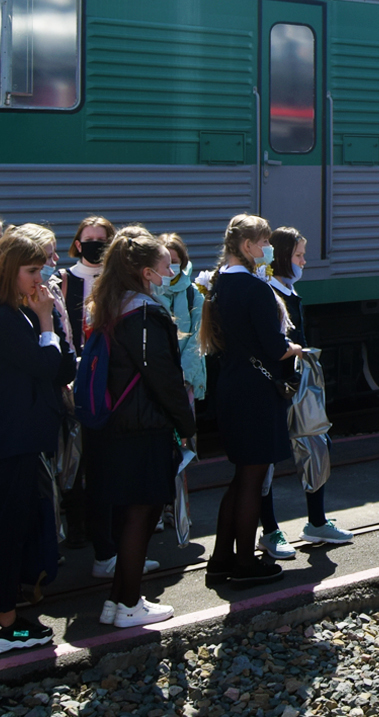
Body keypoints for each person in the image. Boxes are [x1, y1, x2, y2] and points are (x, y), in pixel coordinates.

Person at [0, 231, 73, 653]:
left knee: (7, 526)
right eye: (32, 270)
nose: (39, 278)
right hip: (15, 437)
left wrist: (45, 327)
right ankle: (5, 624)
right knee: (9, 529)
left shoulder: (11, 313)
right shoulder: (2, 317)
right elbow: (50, 365)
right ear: (10, 272)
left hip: (18, 435)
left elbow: (61, 363)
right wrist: (47, 321)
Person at [83, 232, 193, 626]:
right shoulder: (145, 312)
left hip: (116, 423)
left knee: (130, 512)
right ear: (147, 272)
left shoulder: (110, 304)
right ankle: (130, 602)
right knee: (141, 516)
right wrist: (186, 423)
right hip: (143, 425)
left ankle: (117, 601)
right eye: (166, 265)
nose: (171, 271)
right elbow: (163, 376)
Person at [199, 214, 295, 586]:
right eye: (264, 241)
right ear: (246, 246)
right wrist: (296, 349)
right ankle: (244, 563)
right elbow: (273, 346)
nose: (268, 248)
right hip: (257, 392)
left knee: (241, 477)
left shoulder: (219, 284)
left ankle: (220, 559)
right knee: (252, 479)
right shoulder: (256, 289)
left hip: (232, 387)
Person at [259, 227, 351, 558]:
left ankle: (316, 521)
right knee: (266, 460)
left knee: (315, 444)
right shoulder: (269, 292)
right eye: (298, 255)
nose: (304, 261)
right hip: (275, 386)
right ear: (283, 257)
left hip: (297, 385)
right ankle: (269, 530)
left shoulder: (288, 290)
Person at [61, 216, 113, 555]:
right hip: (73, 377)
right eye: (88, 238)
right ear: (78, 244)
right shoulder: (64, 280)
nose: (93, 244)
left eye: (101, 239)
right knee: (72, 456)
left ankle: (100, 524)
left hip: (104, 377)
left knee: (99, 457)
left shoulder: (113, 280)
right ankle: (75, 522)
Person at [158, 234, 206, 406]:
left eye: (175, 261)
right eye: (166, 262)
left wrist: (183, 376)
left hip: (186, 381)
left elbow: (198, 338)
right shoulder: (149, 292)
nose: (170, 268)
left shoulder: (193, 293)